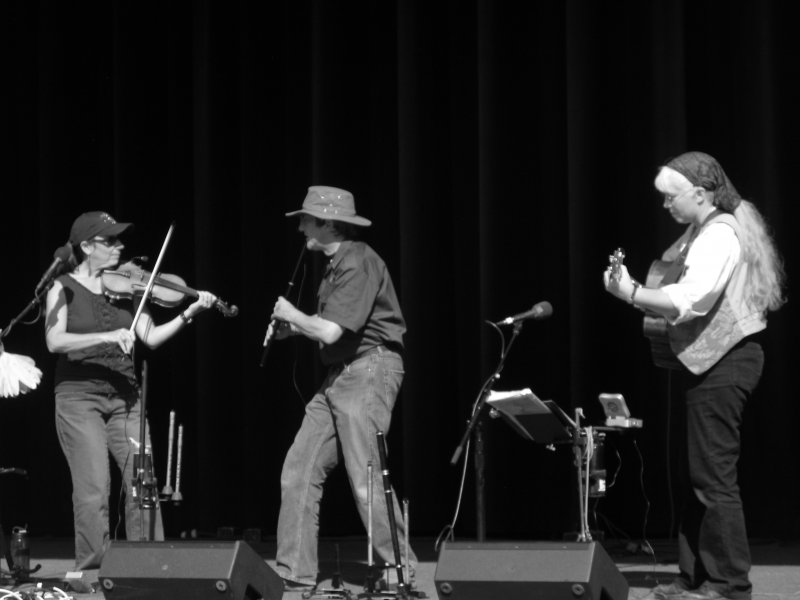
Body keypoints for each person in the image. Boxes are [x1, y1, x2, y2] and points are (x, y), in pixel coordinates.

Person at [603, 152, 784, 600]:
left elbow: (691, 299)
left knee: (713, 477)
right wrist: (638, 288)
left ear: (700, 194)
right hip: (703, 362)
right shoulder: (698, 232)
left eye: (671, 197)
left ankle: (728, 584)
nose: (665, 205)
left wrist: (629, 293)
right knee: (691, 476)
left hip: (726, 362)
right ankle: (695, 577)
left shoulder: (720, 234)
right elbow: (669, 285)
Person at [44, 211, 217, 571]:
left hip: (126, 397)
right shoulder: (61, 286)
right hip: (79, 397)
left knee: (144, 483)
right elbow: (54, 340)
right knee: (94, 489)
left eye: (120, 240)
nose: (120, 247)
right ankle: (92, 570)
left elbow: (150, 337)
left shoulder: (126, 288)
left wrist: (190, 312)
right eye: (111, 241)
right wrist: (106, 335)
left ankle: (148, 564)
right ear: (87, 246)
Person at [269, 186, 418, 592]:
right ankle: (292, 570)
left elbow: (332, 331)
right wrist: (293, 328)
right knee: (299, 467)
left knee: (365, 474)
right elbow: (328, 329)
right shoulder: (337, 265)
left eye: (306, 219)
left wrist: (292, 314)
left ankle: (400, 566)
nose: (300, 227)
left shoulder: (358, 261)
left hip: (368, 371)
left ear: (329, 223)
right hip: (339, 376)